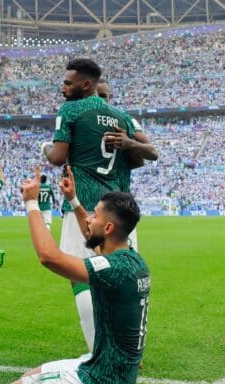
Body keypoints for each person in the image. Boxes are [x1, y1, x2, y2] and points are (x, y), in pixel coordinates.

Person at [0, 166, 151, 384]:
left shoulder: (112, 269)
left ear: (109, 227)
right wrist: (74, 201)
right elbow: (95, 239)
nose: (88, 219)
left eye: (94, 216)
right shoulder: (131, 258)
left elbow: (49, 257)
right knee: (31, 376)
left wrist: (31, 203)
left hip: (102, 382)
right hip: (113, 373)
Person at [41, 59, 151, 354]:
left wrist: (45, 148)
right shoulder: (123, 118)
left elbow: (56, 157)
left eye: (67, 82)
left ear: (85, 84)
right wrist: (128, 145)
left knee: (81, 277)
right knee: (122, 277)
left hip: (86, 207)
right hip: (122, 210)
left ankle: (98, 353)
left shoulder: (71, 111)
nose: (63, 87)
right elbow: (147, 155)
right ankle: (128, 348)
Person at [96, 78, 159, 250]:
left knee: (123, 262)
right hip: (90, 203)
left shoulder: (124, 119)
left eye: (104, 96)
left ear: (110, 97)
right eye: (97, 95)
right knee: (84, 267)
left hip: (119, 201)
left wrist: (129, 143)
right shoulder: (82, 119)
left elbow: (152, 152)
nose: (101, 100)